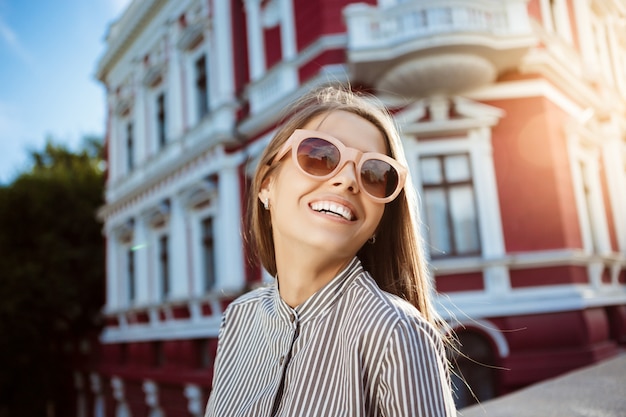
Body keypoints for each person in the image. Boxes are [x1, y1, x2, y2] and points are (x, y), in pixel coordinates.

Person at [204, 84, 457, 417]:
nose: (349, 180)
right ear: (266, 184)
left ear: (379, 220)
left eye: (374, 173)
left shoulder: (396, 331)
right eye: (319, 155)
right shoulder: (239, 318)